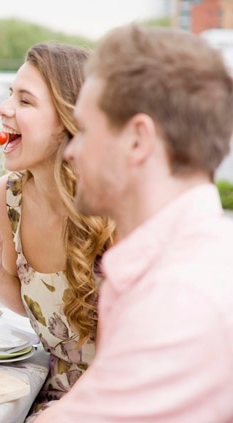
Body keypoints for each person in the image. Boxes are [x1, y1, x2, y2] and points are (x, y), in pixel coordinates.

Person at [34, 25, 233, 422]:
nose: (71, 151)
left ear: (138, 140)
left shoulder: (180, 299)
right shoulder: (169, 265)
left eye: (86, 130)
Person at [0, 43, 114, 420]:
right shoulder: (6, 197)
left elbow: (128, 356)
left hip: (115, 398)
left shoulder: (115, 211)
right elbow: (42, 312)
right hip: (52, 388)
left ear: (67, 120)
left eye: (25, 101)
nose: (4, 108)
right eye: (9, 94)